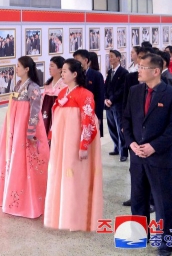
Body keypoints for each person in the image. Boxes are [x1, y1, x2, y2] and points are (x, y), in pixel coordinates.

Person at [122, 53, 172, 256]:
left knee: (164, 202)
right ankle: (140, 234)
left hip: (160, 158)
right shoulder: (134, 91)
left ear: (155, 71)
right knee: (138, 199)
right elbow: (126, 121)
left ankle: (167, 242)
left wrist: (153, 146)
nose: (138, 70)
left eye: (142, 67)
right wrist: (131, 143)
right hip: (137, 156)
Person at [0, 56, 50, 218]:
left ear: (27, 69)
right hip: (14, 126)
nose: (17, 69)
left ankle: (29, 200)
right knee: (10, 158)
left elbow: (35, 112)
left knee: (25, 162)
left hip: (24, 128)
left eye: (19, 66)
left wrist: (30, 132)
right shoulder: (19, 85)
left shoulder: (33, 87)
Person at [43, 58, 102, 231]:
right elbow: (56, 117)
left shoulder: (85, 95)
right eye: (62, 71)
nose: (62, 74)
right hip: (62, 142)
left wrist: (84, 145)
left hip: (75, 142)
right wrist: (52, 135)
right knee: (61, 174)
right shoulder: (62, 93)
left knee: (76, 177)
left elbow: (89, 121)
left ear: (75, 74)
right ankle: (61, 214)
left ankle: (76, 217)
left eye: (65, 71)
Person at [73, 49, 105, 138]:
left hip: (92, 112)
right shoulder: (75, 75)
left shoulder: (96, 75)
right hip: (78, 113)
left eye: (77, 59)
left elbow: (100, 97)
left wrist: (98, 117)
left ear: (86, 60)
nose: (75, 62)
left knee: (92, 138)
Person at [105, 50, 129, 160]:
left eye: (112, 57)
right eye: (109, 57)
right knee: (111, 127)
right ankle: (116, 147)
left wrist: (112, 99)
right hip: (109, 104)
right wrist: (105, 99)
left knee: (120, 128)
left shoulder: (124, 72)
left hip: (118, 104)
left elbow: (122, 89)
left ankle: (123, 152)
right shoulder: (110, 72)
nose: (110, 59)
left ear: (118, 58)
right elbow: (106, 87)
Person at [41, 56, 66, 138]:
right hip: (46, 111)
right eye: (49, 66)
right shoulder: (48, 83)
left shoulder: (64, 84)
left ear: (60, 69)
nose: (49, 68)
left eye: (52, 66)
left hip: (57, 114)